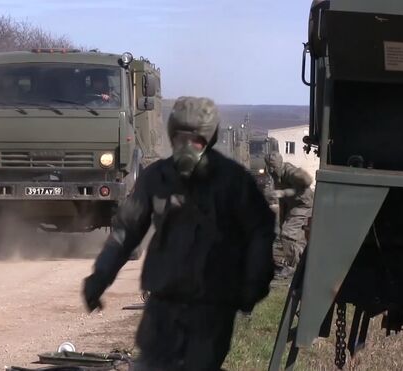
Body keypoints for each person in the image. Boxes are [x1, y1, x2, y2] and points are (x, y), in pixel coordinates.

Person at [82, 96, 276, 371]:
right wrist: (99, 278)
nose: (186, 146)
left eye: (195, 139)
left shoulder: (235, 182)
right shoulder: (156, 178)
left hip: (212, 306)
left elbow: (261, 232)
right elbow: (126, 233)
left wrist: (253, 284)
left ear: (209, 139)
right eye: (179, 138)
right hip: (163, 303)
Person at [264, 151, 314, 278]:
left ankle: (292, 267)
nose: (271, 170)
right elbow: (283, 202)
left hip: (303, 205)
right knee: (293, 237)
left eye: (273, 167)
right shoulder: (276, 175)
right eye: (269, 167)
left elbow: (307, 180)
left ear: (279, 164)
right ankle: (303, 263)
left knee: (287, 235)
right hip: (292, 206)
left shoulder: (290, 171)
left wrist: (284, 192)